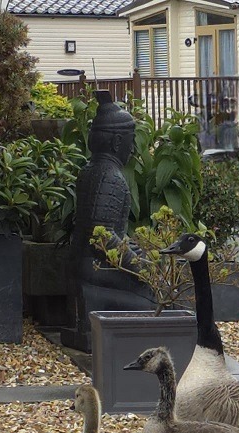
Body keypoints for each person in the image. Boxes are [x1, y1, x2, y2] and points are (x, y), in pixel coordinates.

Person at [62, 90, 153, 351]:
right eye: (130, 140)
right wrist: (138, 265)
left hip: (86, 262)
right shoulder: (110, 177)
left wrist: (132, 249)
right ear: (116, 142)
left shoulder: (92, 170)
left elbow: (109, 230)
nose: (132, 147)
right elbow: (100, 235)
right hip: (94, 267)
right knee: (159, 297)